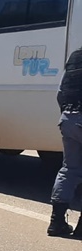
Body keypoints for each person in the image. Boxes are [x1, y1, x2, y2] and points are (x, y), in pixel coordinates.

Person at [48, 45, 82, 237]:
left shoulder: (75, 56)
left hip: (69, 117)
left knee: (70, 169)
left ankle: (56, 222)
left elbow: (60, 93)